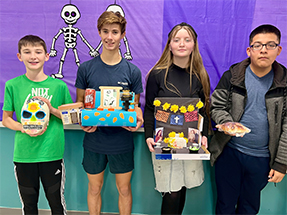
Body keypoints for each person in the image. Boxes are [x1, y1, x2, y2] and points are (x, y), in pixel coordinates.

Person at [209, 24, 287, 214]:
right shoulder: (232, 76)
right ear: (249, 50)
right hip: (229, 153)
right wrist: (228, 122)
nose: (263, 50)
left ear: (279, 50)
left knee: (249, 207)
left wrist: (281, 164)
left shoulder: (284, 83)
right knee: (224, 205)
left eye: (270, 45)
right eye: (258, 45)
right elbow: (216, 106)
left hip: (262, 159)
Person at [75, 11, 143, 215]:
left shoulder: (132, 71)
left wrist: (136, 120)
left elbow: (135, 107)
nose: (110, 37)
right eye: (105, 31)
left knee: (124, 189)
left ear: (122, 34)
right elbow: (80, 104)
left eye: (115, 32)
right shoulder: (86, 69)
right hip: (94, 139)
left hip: (121, 140)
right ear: (99, 32)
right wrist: (82, 121)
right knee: (94, 188)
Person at [144, 22, 210, 214]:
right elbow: (149, 109)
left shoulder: (200, 75)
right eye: (177, 39)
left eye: (187, 40)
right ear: (169, 45)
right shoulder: (157, 75)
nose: (182, 44)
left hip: (191, 142)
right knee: (171, 191)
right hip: (164, 141)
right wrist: (149, 135)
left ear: (194, 45)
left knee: (181, 189)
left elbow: (204, 111)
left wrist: (204, 135)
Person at [2, 35, 73, 215]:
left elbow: (70, 118)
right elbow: (7, 119)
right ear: (20, 56)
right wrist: (23, 128)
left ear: (46, 56)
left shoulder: (59, 86)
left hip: (51, 154)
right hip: (24, 155)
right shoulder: (12, 85)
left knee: (57, 205)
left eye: (38, 52)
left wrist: (51, 109)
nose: (33, 56)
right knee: (29, 206)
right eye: (27, 52)